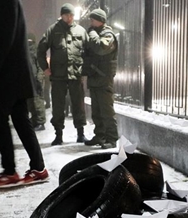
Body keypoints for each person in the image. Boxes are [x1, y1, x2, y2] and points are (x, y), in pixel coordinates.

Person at [0, 0, 48, 189]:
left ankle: (10, 171)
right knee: (20, 119)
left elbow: (4, 36)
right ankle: (38, 167)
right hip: (15, 70)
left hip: (7, 72)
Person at [37, 3, 88, 146]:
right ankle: (58, 135)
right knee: (58, 106)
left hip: (75, 75)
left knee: (78, 104)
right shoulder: (53, 30)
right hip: (58, 75)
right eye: (67, 15)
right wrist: (45, 68)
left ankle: (80, 134)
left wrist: (85, 70)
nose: (70, 18)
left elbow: (88, 52)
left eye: (72, 15)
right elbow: (40, 50)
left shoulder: (80, 31)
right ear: (62, 15)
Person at [83, 9, 119, 150]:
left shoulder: (108, 35)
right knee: (96, 111)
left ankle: (112, 138)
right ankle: (100, 135)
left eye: (93, 20)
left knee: (106, 111)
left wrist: (91, 33)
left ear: (100, 20)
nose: (90, 22)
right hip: (95, 77)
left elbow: (100, 48)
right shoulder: (96, 34)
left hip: (104, 79)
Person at [26, 34, 46, 131]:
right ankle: (34, 120)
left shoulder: (36, 51)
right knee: (30, 101)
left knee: (37, 101)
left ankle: (40, 122)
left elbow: (40, 66)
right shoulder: (24, 51)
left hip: (35, 79)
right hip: (28, 79)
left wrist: (39, 78)